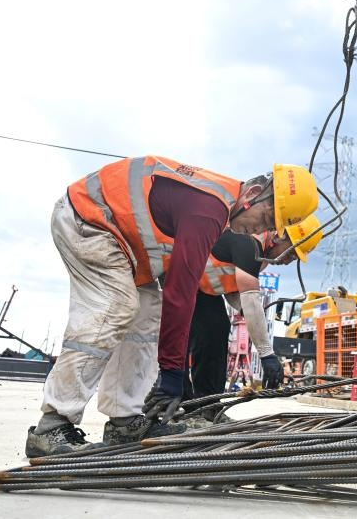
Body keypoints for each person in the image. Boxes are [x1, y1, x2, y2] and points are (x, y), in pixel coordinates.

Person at [25, 156, 317, 457]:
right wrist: (172, 373)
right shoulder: (210, 209)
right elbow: (180, 291)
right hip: (89, 218)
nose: (261, 228)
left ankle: (124, 420)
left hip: (124, 247)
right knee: (114, 308)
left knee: (146, 313)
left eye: (270, 226)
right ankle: (52, 425)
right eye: (267, 219)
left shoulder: (221, 213)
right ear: (253, 195)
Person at [185, 215, 323, 407]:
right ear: (278, 236)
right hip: (182, 275)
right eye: (291, 253)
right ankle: (180, 400)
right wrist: (267, 355)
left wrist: (246, 312)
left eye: (295, 258)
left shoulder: (260, 256)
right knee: (204, 330)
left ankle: (206, 405)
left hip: (201, 286)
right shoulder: (249, 243)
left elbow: (230, 287)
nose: (289, 261)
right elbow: (250, 298)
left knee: (216, 328)